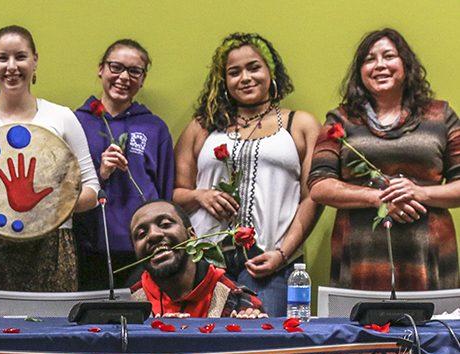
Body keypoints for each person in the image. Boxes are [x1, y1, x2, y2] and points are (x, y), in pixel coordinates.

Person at [0, 25, 100, 306]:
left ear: (35, 60)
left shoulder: (62, 117)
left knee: (48, 342)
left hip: (52, 247)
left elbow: (91, 190)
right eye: (3, 58)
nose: (12, 66)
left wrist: (45, 206)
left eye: (20, 57)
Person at [173, 33, 320, 316]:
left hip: (269, 264)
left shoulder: (299, 124)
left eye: (254, 67)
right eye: (234, 72)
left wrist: (282, 254)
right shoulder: (202, 127)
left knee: (264, 350)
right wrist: (200, 196)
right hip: (207, 265)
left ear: (270, 71)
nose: (245, 78)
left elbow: (312, 197)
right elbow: (176, 196)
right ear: (224, 81)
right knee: (204, 349)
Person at [309, 28, 460, 290]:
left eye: (389, 56)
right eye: (369, 59)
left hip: (428, 257)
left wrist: (418, 193)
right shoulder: (340, 119)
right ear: (360, 71)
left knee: (433, 329)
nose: (379, 65)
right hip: (360, 260)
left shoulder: (441, 115)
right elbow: (319, 186)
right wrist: (379, 199)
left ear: (406, 64)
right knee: (359, 330)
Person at [74, 38, 174, 290]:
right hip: (90, 246)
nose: (123, 77)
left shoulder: (154, 127)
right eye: (116, 67)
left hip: (144, 249)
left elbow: (165, 192)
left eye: (134, 71)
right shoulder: (76, 122)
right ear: (101, 69)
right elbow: (65, 190)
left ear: (143, 78)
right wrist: (101, 174)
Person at [129, 200, 264, 318]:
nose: (153, 235)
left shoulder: (237, 300)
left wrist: (251, 327)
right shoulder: (128, 304)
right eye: (141, 234)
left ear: (192, 235)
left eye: (165, 224)